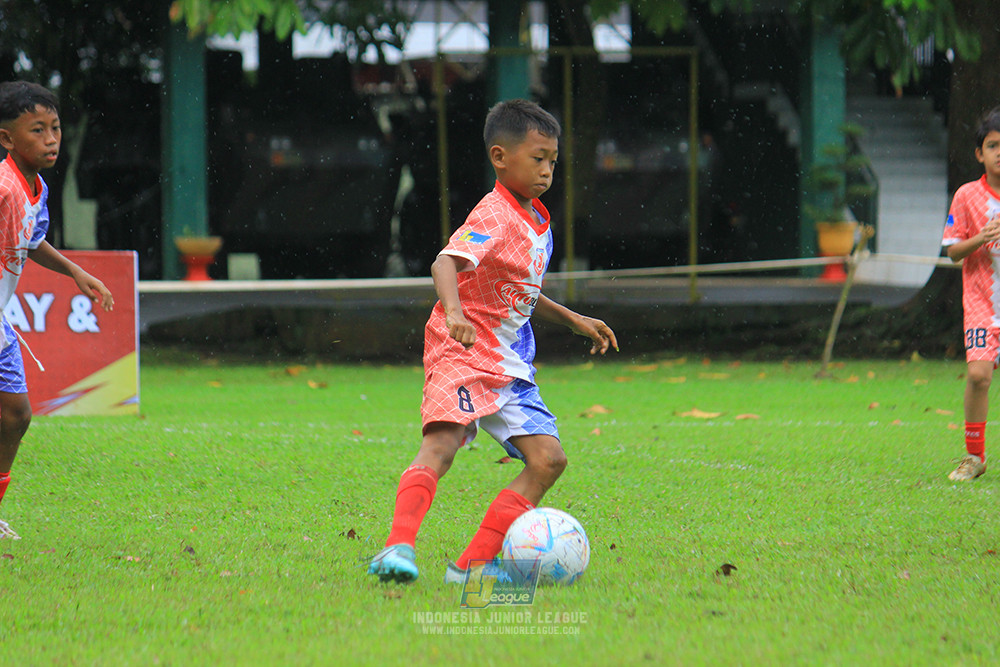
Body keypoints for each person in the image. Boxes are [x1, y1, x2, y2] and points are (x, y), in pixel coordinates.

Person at [368, 99, 617, 583]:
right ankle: (397, 549)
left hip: (509, 362)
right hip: (461, 349)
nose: (547, 169)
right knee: (441, 446)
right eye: (537, 157)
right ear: (500, 157)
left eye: (552, 160)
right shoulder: (494, 214)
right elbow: (445, 263)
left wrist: (572, 319)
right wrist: (456, 315)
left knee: (549, 460)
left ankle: (471, 566)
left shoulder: (537, 219)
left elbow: (520, 294)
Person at [0, 81, 114, 536]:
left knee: (16, 415)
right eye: (37, 130)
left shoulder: (35, 187)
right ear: (7, 138)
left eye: (56, 128)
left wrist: (74, 271)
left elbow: (29, 239)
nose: (51, 139)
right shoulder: (4, 185)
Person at [942, 106, 1000, 481]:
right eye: (993, 145)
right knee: (978, 375)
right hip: (980, 303)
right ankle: (974, 457)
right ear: (980, 153)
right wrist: (980, 238)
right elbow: (951, 251)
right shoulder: (966, 196)